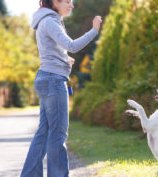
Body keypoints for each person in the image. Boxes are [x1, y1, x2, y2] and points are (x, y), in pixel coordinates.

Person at [20, 0, 102, 176]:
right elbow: (71, 46)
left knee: (44, 132)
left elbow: (52, 50)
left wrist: (64, 60)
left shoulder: (46, 19)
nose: (71, 6)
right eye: (67, 2)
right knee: (58, 134)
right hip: (53, 80)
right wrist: (94, 30)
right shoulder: (50, 21)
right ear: (55, 2)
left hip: (48, 78)